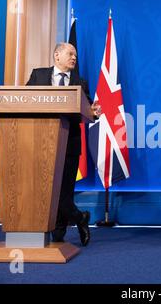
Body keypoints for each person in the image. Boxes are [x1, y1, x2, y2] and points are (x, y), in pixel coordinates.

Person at [26, 42, 102, 246]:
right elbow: (24, 102)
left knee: (63, 191)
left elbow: (88, 112)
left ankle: (59, 230)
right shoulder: (38, 76)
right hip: (40, 142)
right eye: (70, 53)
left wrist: (93, 112)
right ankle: (80, 218)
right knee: (48, 189)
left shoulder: (80, 82)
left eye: (76, 55)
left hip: (69, 144)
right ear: (57, 55)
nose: (74, 57)